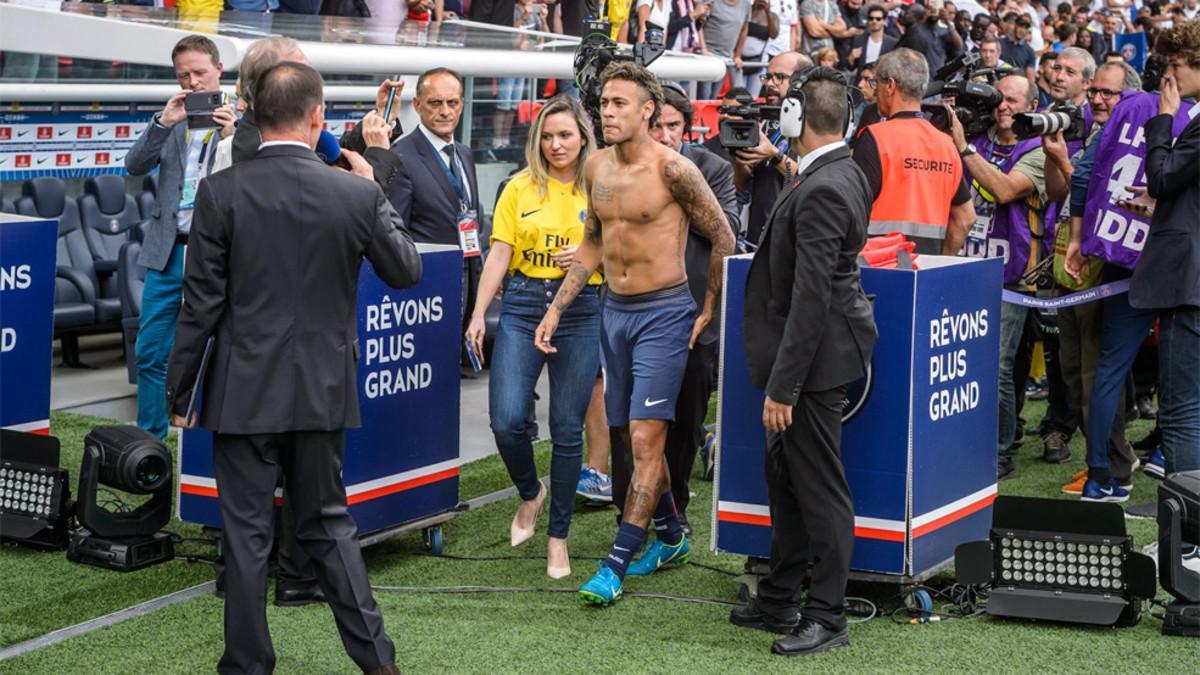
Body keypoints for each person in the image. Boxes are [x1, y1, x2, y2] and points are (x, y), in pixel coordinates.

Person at [166, 61, 419, 675]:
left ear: (252, 114)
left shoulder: (222, 193)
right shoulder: (356, 192)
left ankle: (247, 666)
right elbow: (406, 269)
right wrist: (373, 183)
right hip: (321, 389)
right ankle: (378, 663)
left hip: (241, 392)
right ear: (317, 118)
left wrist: (180, 391)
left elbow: (199, 305)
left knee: (246, 536)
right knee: (329, 525)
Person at [533, 62, 735, 605]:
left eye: (620, 104)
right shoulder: (596, 166)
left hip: (665, 314)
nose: (608, 112)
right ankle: (671, 537)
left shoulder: (674, 170)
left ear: (648, 110)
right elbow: (594, 242)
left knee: (646, 438)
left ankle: (616, 562)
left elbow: (723, 235)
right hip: (613, 312)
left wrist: (709, 306)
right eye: (604, 104)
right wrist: (556, 308)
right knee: (625, 434)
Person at [730, 66, 876, 657]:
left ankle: (827, 616)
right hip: (811, 357)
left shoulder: (823, 186)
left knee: (818, 487)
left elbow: (811, 298)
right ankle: (781, 593)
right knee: (786, 477)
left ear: (797, 117)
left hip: (812, 364)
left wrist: (784, 387)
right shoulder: (835, 171)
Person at [464, 96, 600, 579]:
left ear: (583, 135)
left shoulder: (600, 183)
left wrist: (588, 256)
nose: (556, 144)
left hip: (583, 309)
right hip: (522, 305)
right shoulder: (518, 187)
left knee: (567, 428)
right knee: (505, 419)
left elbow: (624, 241)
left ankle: (557, 537)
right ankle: (530, 492)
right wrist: (479, 313)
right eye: (547, 136)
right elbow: (498, 253)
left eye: (565, 135)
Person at [1068, 20, 1200, 500]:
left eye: (1177, 64)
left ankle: (1110, 479)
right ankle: (1120, 471)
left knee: (1136, 382)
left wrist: (1081, 238)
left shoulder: (1150, 112)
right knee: (1173, 390)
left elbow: (1101, 174)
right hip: (1160, 264)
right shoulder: (1176, 112)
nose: (1170, 73)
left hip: (1154, 262)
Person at [609, 81, 738, 535]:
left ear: (688, 126)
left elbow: (728, 229)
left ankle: (673, 516)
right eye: (657, 124)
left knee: (684, 422)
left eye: (674, 126)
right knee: (628, 419)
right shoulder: (618, 166)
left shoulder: (710, 168)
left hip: (694, 317)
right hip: (634, 311)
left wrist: (678, 197)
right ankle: (629, 513)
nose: (664, 134)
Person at [125, 35, 236, 442]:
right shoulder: (171, 120)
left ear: (219, 71)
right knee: (150, 351)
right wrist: (162, 123)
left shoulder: (243, 120)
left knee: (217, 350)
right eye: (183, 75)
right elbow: (134, 165)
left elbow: (257, 181)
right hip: (168, 251)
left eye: (199, 73)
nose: (191, 82)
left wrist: (233, 138)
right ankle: (150, 441)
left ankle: (207, 439)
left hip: (217, 255)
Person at [1044, 60, 1142, 493]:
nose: (1099, 99)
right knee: (1072, 370)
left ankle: (1111, 465)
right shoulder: (1092, 130)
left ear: (1131, 99)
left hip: (1103, 265)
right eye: (1096, 91)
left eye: (1110, 93)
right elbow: (1059, 193)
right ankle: (1101, 458)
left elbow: (1095, 189)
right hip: (1071, 263)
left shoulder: (1127, 136)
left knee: (1095, 375)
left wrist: (1067, 162)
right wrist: (1057, 160)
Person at [950, 73, 1048, 480]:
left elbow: (1005, 190)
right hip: (969, 265)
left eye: (1012, 100)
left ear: (1031, 107)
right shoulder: (982, 137)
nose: (1003, 107)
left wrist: (963, 147)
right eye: (998, 100)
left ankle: (999, 453)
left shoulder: (1038, 147)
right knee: (965, 360)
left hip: (1013, 275)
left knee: (998, 365)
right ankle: (967, 439)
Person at [386, 68, 483, 374]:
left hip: (465, 284)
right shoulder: (401, 155)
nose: (445, 111)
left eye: (452, 103)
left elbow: (470, 220)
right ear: (417, 105)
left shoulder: (464, 154)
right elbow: (394, 231)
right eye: (435, 103)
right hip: (424, 295)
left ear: (462, 104)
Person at [852, 48, 974, 255]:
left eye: (876, 83)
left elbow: (851, 212)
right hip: (926, 274)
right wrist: (939, 263)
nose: (875, 90)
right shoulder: (946, 144)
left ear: (890, 85)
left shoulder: (874, 137)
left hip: (878, 270)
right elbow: (966, 218)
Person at [730, 50, 813, 246]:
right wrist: (737, 155)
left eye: (780, 77)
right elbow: (743, 185)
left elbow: (810, 181)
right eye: (768, 76)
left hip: (791, 238)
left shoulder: (813, 124)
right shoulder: (763, 120)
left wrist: (774, 156)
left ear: (801, 83)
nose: (769, 83)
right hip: (757, 236)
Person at [697, 0, 752, 100]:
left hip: (725, 58)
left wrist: (737, 55)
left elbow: (744, 29)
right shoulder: (713, 2)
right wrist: (703, 48)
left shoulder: (746, 5)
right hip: (707, 55)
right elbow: (699, 23)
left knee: (714, 96)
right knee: (704, 96)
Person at [846, 4, 898, 74]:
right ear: (868, 20)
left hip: (881, 82)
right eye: (871, 18)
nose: (874, 21)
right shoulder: (858, 40)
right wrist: (851, 58)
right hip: (861, 82)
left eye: (878, 19)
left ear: (884, 21)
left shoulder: (892, 43)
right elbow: (850, 67)